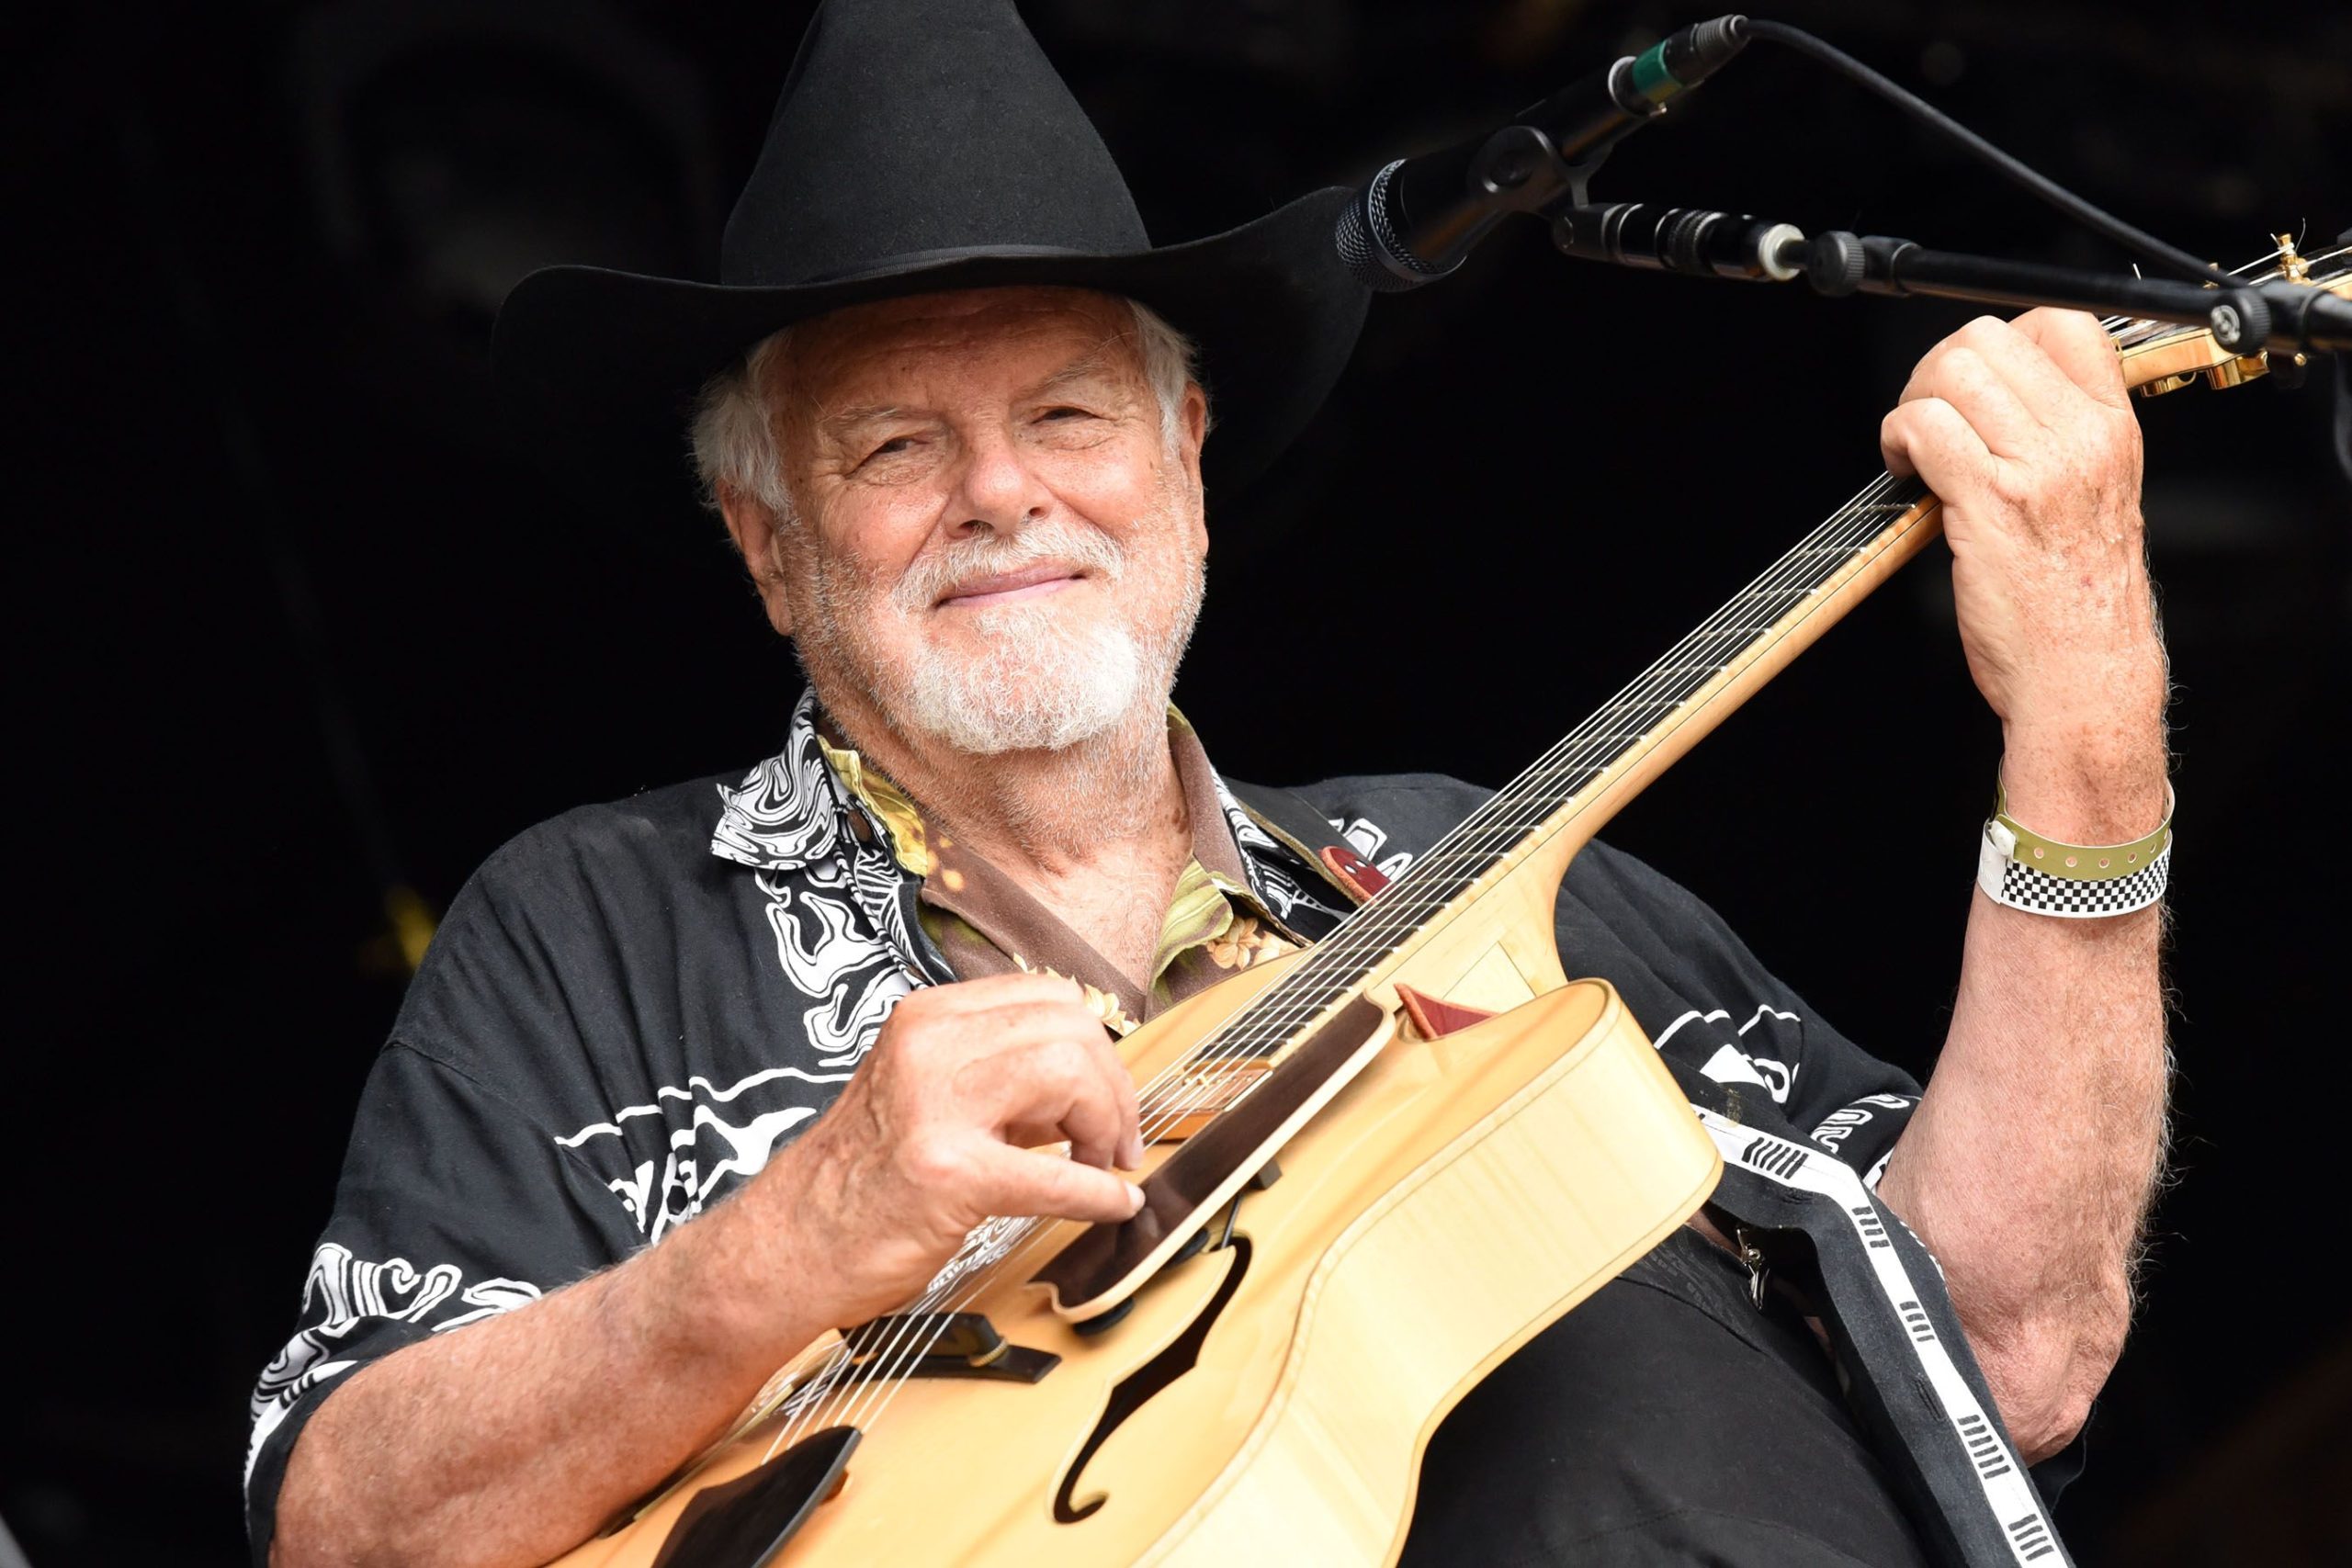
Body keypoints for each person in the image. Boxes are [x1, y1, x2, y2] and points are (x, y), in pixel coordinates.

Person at [248, 3, 2171, 1564]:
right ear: (766, 540)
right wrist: (790, 1237)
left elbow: (2002, 1348)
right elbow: (342, 1526)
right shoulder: (586, 934)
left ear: (1180, 453)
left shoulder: (1485, 871)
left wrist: (2084, 728)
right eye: (894, 442)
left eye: (1068, 412)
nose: (1001, 492)